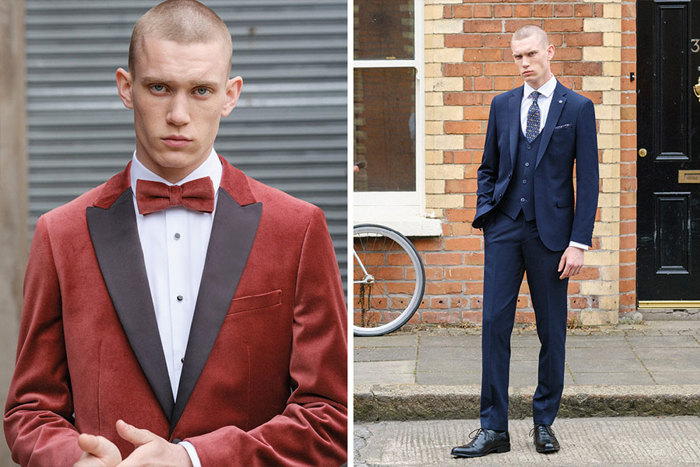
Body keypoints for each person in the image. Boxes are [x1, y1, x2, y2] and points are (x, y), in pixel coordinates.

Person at [4, 1, 347, 465]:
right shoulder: (60, 234)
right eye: (159, 87)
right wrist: (71, 458)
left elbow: (331, 414)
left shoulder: (298, 228)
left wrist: (194, 458)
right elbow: (29, 410)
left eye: (201, 90)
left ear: (231, 94)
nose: (179, 114)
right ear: (126, 87)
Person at [451, 25, 599, 458]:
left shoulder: (578, 107)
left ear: (550, 51)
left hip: (552, 236)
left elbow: (587, 182)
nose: (525, 63)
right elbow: (487, 167)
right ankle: (493, 428)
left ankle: (544, 421)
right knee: (494, 326)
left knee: (551, 331)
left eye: (531, 54)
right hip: (504, 229)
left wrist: (579, 242)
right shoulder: (503, 105)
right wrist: (487, 213)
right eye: (518, 57)